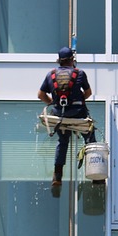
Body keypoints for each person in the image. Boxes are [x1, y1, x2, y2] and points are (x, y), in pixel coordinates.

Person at [38, 46, 99, 187]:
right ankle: (96, 175)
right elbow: (88, 93)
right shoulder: (80, 73)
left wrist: (53, 102)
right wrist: (79, 101)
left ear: (59, 61)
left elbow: (40, 95)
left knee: (63, 142)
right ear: (72, 60)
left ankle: (57, 175)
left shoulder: (50, 75)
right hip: (78, 114)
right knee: (90, 138)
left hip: (59, 115)